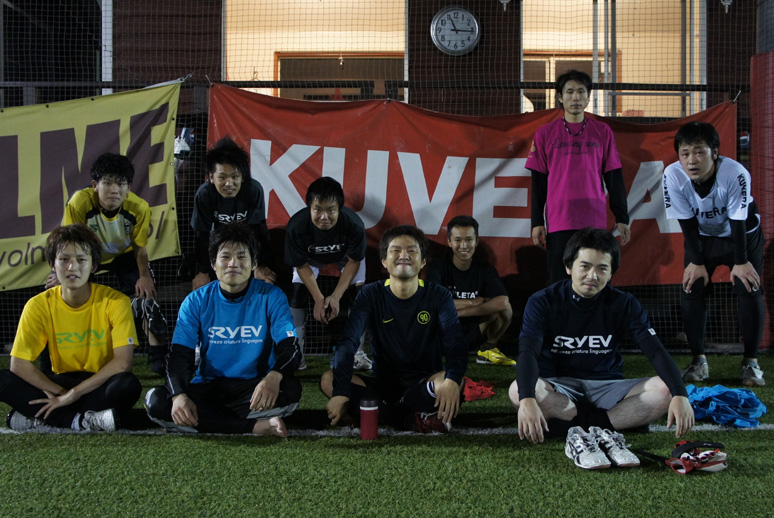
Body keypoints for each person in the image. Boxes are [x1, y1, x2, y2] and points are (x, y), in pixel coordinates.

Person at [509, 228, 693, 454]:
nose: (592, 276)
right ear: (569, 267)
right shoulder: (543, 301)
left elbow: (655, 350)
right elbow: (528, 352)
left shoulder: (624, 303)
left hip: (608, 387)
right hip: (558, 386)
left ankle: (570, 426)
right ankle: (612, 424)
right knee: (518, 391)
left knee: (666, 390)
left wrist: (679, 393)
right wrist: (528, 399)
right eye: (585, 266)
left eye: (601, 269)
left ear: (611, 272)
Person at [144, 222, 302, 436]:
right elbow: (179, 355)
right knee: (156, 401)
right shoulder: (195, 301)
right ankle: (254, 426)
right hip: (209, 388)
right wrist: (179, 395)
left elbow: (290, 348)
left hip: (254, 388)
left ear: (254, 263)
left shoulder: (272, 296)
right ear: (213, 263)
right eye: (225, 256)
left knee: (290, 390)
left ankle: (204, 422)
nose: (233, 263)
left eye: (241, 256)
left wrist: (274, 376)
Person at [321, 225, 468, 433]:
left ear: (423, 261)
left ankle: (379, 414)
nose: (404, 255)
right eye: (396, 250)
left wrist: (452, 379)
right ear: (384, 261)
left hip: (424, 384)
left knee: (453, 381)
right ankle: (409, 419)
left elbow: (455, 343)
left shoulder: (439, 295)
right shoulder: (370, 294)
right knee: (329, 379)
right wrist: (341, 392)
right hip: (382, 385)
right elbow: (348, 342)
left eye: (412, 250)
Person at [1, 224, 145, 432]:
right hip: (60, 382)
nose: (72, 267)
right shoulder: (38, 305)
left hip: (98, 383)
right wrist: (61, 393)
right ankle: (81, 420)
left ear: (93, 266)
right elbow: (19, 365)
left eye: (81, 260)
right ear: (52, 264)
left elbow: (123, 363)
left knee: (127, 384)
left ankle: (48, 418)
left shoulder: (116, 301)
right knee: (3, 379)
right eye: (64, 259)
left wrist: (73, 395)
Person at [663, 121, 765, 387]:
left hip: (741, 235)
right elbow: (687, 223)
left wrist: (741, 262)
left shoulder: (735, 173)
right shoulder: (672, 175)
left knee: (749, 286)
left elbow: (738, 220)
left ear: (715, 152)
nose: (691, 160)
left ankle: (751, 363)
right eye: (685, 153)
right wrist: (696, 262)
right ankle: (698, 361)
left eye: (699, 152)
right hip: (703, 237)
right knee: (691, 286)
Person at [53, 153, 168, 375]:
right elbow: (69, 243)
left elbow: (140, 248)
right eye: (107, 183)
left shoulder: (140, 208)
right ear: (95, 186)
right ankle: (65, 355)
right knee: (68, 295)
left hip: (124, 255)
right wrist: (63, 273)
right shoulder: (79, 202)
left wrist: (144, 277)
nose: (114, 189)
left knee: (148, 297)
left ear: (129, 188)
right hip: (87, 255)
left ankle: (159, 359)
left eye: (121, 184)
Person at [527, 69, 631, 285]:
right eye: (570, 92)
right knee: (560, 281)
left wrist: (622, 217)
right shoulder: (544, 133)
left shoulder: (603, 132)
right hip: (559, 220)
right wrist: (537, 222)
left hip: (593, 219)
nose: (576, 97)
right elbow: (538, 182)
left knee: (594, 279)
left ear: (588, 96)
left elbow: (613, 177)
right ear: (560, 97)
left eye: (581, 91)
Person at [285, 177, 370, 370]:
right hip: (310, 259)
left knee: (359, 297)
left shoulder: (354, 225)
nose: (324, 217)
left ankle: (357, 354)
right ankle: (297, 354)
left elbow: (354, 261)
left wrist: (336, 297)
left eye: (331, 210)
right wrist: (318, 298)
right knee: (296, 294)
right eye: (318, 210)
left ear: (339, 208)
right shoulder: (296, 227)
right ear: (309, 208)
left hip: (346, 257)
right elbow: (301, 265)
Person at [426, 215, 515, 366]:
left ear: (476, 241)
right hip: (444, 332)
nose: (464, 245)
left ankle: (487, 349)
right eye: (458, 240)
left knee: (505, 310)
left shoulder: (485, 268)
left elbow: (503, 303)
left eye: (469, 239)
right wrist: (472, 302)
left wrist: (459, 312)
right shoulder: (438, 266)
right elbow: (433, 302)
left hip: (475, 329)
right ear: (449, 242)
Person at [191, 136, 276, 290]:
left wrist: (259, 264)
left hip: (246, 248)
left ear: (242, 177)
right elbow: (201, 235)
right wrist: (203, 271)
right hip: (218, 248)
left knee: (265, 282)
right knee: (204, 286)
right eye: (222, 177)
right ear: (211, 177)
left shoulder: (253, 190)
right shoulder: (204, 195)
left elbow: (258, 230)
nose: (229, 183)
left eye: (235, 177)